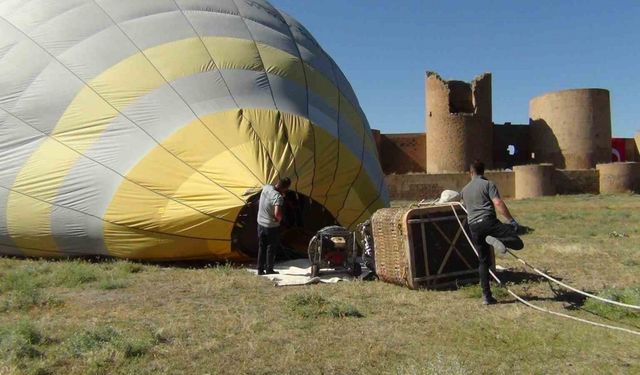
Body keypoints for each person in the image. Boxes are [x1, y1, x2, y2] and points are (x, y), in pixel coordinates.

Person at [461, 161, 524, 305]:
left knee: (483, 262)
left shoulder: (464, 190)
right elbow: (498, 203)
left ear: (471, 172)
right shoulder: (488, 184)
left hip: (473, 227)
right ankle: (498, 240)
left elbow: (465, 207)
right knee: (518, 242)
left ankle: (486, 297)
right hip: (488, 222)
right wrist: (511, 220)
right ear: (483, 172)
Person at [256, 177, 291, 275]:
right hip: (271, 226)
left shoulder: (266, 187)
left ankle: (259, 269)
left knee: (261, 246)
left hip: (260, 223)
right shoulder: (278, 197)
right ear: (286, 188)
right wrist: (279, 219)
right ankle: (269, 269)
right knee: (271, 248)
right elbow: (277, 214)